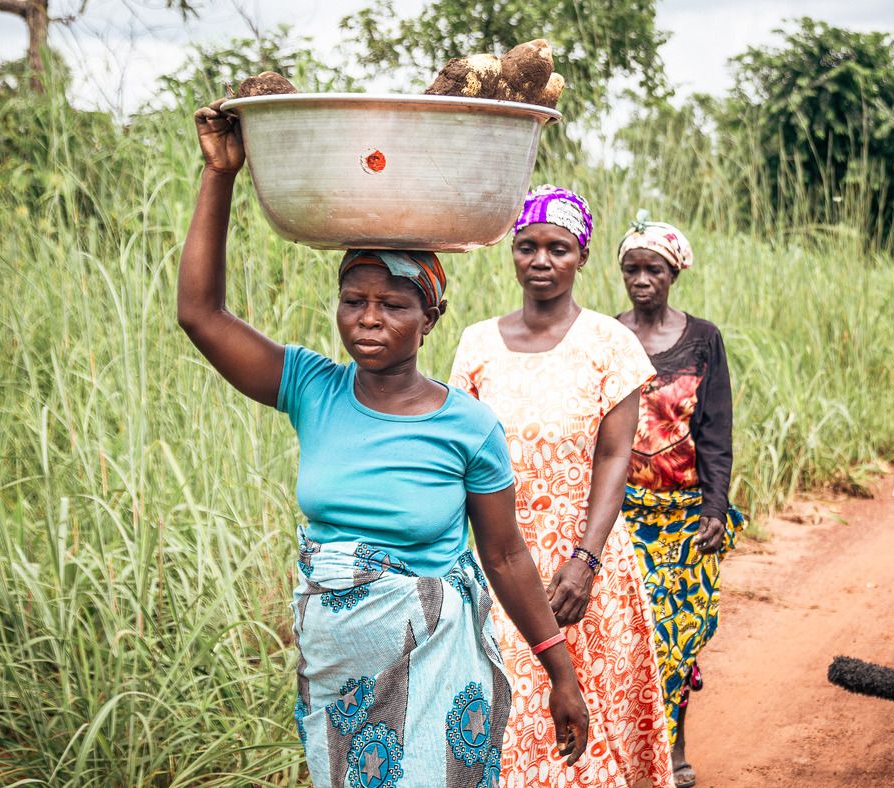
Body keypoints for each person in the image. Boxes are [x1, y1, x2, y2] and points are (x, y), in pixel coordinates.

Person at [177, 100, 588, 787]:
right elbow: (200, 314)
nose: (368, 319)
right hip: (338, 670)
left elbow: (506, 554)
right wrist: (219, 174)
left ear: (430, 316)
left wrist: (560, 670)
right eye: (353, 299)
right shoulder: (312, 387)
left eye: (393, 304)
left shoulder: (468, 427)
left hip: (437, 662)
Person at [449, 185, 674, 787]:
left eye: (559, 248)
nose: (542, 260)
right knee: (518, 724)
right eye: (528, 247)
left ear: (582, 257)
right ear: (512, 253)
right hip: (501, 568)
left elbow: (614, 455)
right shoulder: (476, 345)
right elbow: (460, 460)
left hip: (588, 569)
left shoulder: (611, 345)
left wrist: (585, 560)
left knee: (596, 723)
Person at [614, 212, 743, 788]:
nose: (642, 279)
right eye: (632, 269)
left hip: (686, 518)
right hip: (620, 519)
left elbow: (716, 431)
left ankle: (674, 745)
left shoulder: (703, 339)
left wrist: (714, 509)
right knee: (629, 635)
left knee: (679, 635)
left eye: (654, 269)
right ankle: (629, 752)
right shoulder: (606, 336)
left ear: (674, 273)